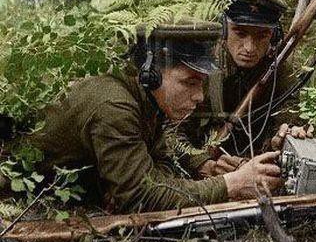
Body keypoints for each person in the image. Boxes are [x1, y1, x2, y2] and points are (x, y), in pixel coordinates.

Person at [7, 18, 283, 212]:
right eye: (189, 82)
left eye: (201, 83)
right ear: (151, 74)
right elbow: (140, 196)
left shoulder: (148, 97)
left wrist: (204, 169)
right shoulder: (114, 106)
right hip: (18, 194)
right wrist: (231, 184)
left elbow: (158, 163)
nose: (199, 96)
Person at [178, 0, 306, 177]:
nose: (249, 48)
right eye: (240, 33)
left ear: (274, 36)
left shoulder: (279, 70)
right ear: (223, 30)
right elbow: (170, 133)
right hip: (201, 172)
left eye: (262, 36)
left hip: (257, 167)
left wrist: (282, 136)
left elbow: (289, 117)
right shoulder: (201, 66)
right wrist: (201, 163)